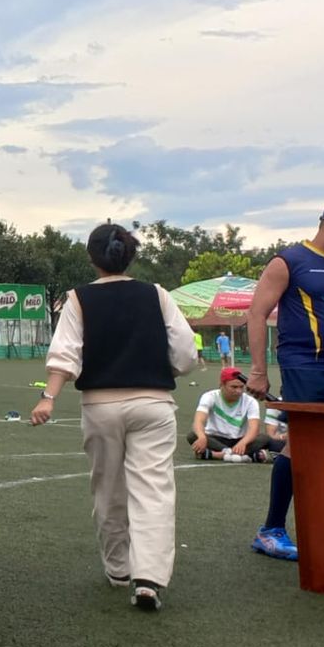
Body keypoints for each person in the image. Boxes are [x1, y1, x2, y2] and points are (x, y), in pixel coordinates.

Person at [31, 223, 199, 612]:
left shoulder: (79, 299)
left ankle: (119, 569)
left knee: (108, 488)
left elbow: (65, 354)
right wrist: (162, 372)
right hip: (154, 402)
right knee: (154, 490)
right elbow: (186, 352)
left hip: (101, 405)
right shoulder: (156, 295)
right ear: (130, 256)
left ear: (92, 258)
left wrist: (48, 398)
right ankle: (150, 577)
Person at [244, 200, 324, 561]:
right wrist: (258, 370)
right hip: (305, 365)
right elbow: (256, 314)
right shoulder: (288, 261)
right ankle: (271, 530)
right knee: (302, 444)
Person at [187, 367, 282, 462]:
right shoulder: (209, 397)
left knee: (264, 438)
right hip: (216, 439)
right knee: (193, 435)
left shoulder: (250, 401)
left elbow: (254, 428)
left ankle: (218, 455)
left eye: (241, 387)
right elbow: (198, 421)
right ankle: (243, 455)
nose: (238, 391)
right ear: (222, 385)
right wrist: (202, 437)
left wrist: (243, 443)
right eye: (234, 387)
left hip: (241, 439)